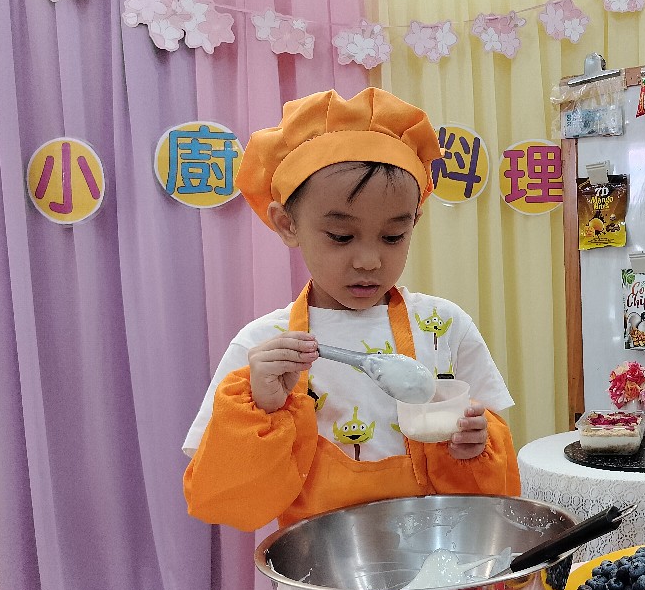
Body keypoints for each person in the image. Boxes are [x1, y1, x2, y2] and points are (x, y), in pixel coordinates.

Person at [182, 87, 520, 532]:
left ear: (414, 222)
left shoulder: (443, 327)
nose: (369, 261)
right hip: (325, 560)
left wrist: (474, 446)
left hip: (440, 552)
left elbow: (497, 478)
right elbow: (227, 501)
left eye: (393, 237)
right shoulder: (262, 347)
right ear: (287, 224)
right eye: (341, 237)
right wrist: (263, 406)